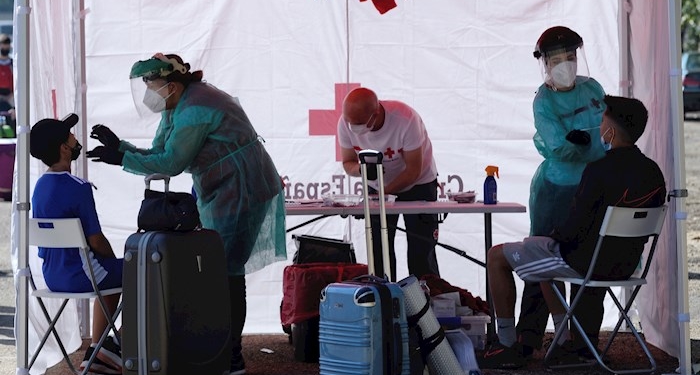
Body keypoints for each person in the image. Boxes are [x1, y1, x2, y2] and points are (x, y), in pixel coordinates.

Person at [86, 53, 286, 375]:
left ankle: (231, 357)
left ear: (173, 85)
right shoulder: (176, 105)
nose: (149, 93)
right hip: (221, 188)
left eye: (152, 85)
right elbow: (159, 152)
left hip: (242, 188)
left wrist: (119, 159)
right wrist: (121, 148)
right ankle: (218, 350)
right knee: (219, 273)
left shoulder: (196, 108)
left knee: (228, 274)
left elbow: (171, 164)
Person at [478, 95, 666, 369]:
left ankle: (505, 344)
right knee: (543, 259)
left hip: (586, 264)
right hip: (627, 267)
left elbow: (574, 228)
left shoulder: (598, 170)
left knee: (496, 256)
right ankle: (565, 342)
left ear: (611, 131)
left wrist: (550, 236)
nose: (599, 126)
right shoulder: (653, 172)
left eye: (602, 121)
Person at [518, 25, 609, 359]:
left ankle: (584, 342)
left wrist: (587, 141)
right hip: (555, 189)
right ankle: (528, 339)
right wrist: (579, 142)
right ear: (545, 63)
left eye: (570, 57)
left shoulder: (592, 88)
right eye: (557, 59)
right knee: (542, 257)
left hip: (591, 185)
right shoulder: (543, 100)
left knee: (586, 263)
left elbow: (608, 130)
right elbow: (557, 144)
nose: (566, 65)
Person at [29, 114, 123, 374]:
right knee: (142, 271)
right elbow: (97, 241)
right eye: (70, 134)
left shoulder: (39, 186)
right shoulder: (78, 187)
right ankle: (108, 349)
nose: (75, 137)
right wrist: (115, 260)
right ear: (64, 147)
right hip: (82, 275)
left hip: (52, 277)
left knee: (113, 276)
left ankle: (100, 349)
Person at [337, 87, 439, 281]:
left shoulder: (405, 120)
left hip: (418, 185)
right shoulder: (345, 123)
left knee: (421, 252)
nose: (353, 128)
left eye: (358, 123)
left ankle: (426, 302)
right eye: (350, 122)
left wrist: (383, 195)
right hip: (377, 187)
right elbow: (347, 162)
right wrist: (363, 170)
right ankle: (384, 302)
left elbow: (413, 171)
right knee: (378, 252)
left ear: (376, 113)